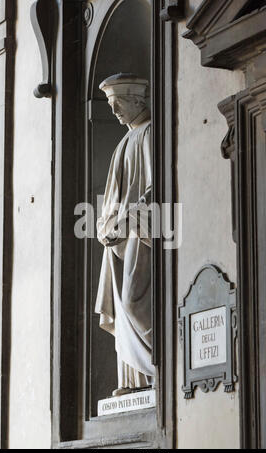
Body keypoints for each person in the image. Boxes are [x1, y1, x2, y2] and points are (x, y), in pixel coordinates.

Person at [95, 73, 155, 397]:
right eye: (111, 106)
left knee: (133, 302)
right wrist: (106, 226)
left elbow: (154, 188)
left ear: (137, 100)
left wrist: (129, 218)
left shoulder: (148, 134)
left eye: (118, 105)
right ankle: (134, 382)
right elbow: (110, 199)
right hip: (119, 238)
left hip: (142, 232)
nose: (115, 113)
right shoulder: (122, 144)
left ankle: (158, 366)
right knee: (121, 307)